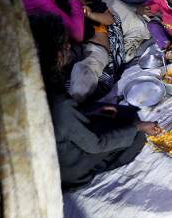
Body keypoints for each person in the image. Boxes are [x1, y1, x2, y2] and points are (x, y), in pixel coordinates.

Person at [28, 14, 162, 189]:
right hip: (66, 172)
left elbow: (62, 124)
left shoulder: (33, 85)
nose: (69, 46)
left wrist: (89, 112)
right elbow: (95, 144)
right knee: (134, 132)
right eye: (65, 45)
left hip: (47, 159)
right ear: (56, 55)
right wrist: (138, 127)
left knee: (115, 113)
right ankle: (94, 170)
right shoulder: (60, 103)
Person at [10, 0, 148, 103]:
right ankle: (75, 103)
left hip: (49, 47)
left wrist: (85, 10)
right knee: (88, 66)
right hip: (59, 48)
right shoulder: (45, 2)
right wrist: (77, 5)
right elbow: (78, 34)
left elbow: (102, 17)